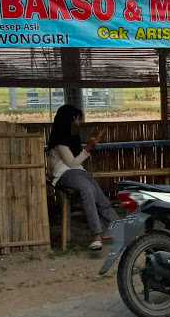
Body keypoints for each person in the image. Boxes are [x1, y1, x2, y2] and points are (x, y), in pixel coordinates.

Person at [47, 105, 118, 251]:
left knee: (99, 196)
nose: (80, 123)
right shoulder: (60, 141)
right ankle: (97, 235)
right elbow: (71, 163)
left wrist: (88, 146)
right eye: (78, 119)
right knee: (87, 189)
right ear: (71, 120)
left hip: (79, 173)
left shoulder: (71, 138)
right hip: (64, 174)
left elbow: (76, 162)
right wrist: (89, 148)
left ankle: (120, 227)